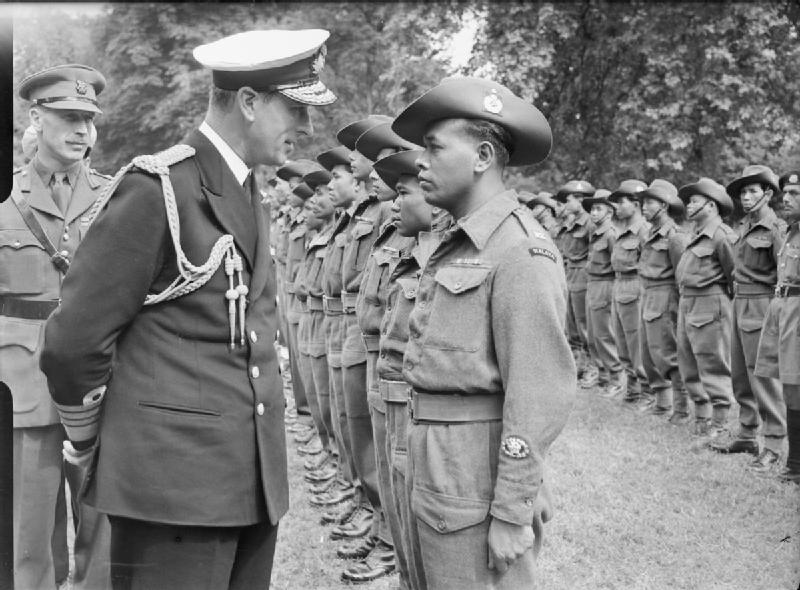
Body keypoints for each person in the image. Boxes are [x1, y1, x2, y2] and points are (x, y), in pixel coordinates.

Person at [39, 30, 336, 589]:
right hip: (172, 495)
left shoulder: (244, 189)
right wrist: (87, 437)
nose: (308, 127)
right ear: (249, 102)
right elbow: (74, 341)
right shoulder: (159, 188)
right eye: (295, 107)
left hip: (246, 484)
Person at [391, 76, 575, 589]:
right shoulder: (461, 241)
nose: (420, 163)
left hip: (472, 471)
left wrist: (513, 510)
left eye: (433, 148)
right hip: (434, 458)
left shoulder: (520, 250)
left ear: (483, 155)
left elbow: (538, 393)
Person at [2, 63, 111, 590]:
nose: (81, 131)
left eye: (88, 120)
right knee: (28, 533)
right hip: (24, 384)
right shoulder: (7, 198)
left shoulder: (114, 197)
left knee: (103, 523)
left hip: (99, 380)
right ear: (35, 116)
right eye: (68, 117)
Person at [373, 147, 450, 590]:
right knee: (400, 507)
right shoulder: (413, 248)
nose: (394, 202)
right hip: (396, 392)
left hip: (424, 411)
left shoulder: (451, 255)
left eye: (404, 192)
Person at [710, 166, 786, 471]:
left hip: (763, 304)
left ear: (767, 194)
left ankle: (774, 443)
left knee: (763, 376)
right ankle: (747, 432)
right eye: (742, 192)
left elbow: (785, 274)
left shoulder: (775, 229)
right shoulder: (741, 227)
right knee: (740, 374)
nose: (746, 196)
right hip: (739, 301)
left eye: (753, 190)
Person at [675, 177, 736, 439]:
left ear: (710, 205)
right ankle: (702, 418)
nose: (689, 205)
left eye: (695, 201)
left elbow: (735, 275)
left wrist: (722, 306)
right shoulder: (696, 235)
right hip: (688, 302)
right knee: (689, 362)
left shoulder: (722, 236)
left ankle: (720, 423)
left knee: (713, 363)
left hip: (711, 303)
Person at [755, 171, 800, 484]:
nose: (787, 198)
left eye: (795, 193)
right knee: (790, 385)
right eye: (786, 193)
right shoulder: (792, 231)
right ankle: (795, 463)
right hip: (784, 309)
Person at [637, 179, 692, 421]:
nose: (644, 207)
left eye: (649, 202)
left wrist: (679, 309)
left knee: (667, 353)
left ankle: (680, 409)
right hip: (647, 293)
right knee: (649, 354)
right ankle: (662, 403)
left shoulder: (675, 236)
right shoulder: (649, 233)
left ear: (664, 205)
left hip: (665, 296)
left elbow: (682, 275)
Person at [608, 180, 651, 408]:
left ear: (635, 204)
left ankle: (647, 391)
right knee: (622, 340)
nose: (617, 206)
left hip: (635, 287)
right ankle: (632, 388)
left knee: (637, 342)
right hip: (619, 285)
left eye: (621, 202)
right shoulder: (622, 231)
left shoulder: (644, 230)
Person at [555, 179, 599, 386]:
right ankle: (574, 364)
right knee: (571, 323)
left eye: (569, 199)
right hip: (570, 273)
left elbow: (594, 251)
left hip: (583, 274)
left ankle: (592, 367)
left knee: (584, 324)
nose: (566, 203)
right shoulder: (571, 222)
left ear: (580, 200)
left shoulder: (590, 222)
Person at [582, 189, 624, 397]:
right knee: (593, 334)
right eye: (592, 209)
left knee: (605, 334)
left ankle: (616, 378)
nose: (593, 213)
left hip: (606, 285)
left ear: (609, 212)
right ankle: (603, 375)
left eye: (598, 209)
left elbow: (617, 265)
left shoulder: (611, 234)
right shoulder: (596, 232)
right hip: (593, 284)